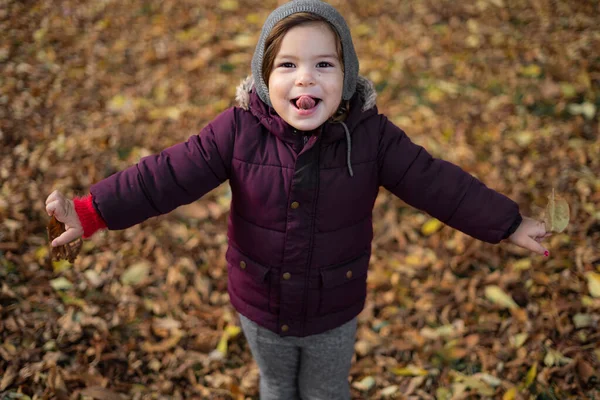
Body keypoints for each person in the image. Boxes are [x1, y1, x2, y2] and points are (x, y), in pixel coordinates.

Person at [45, 1, 551, 398]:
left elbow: (439, 184)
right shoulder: (237, 131)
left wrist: (508, 223)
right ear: (265, 79)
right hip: (260, 302)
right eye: (288, 64)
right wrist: (91, 212)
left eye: (324, 63)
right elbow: (165, 176)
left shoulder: (370, 136)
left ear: (347, 76)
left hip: (336, 305)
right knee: (278, 387)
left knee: (326, 392)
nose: (305, 77)